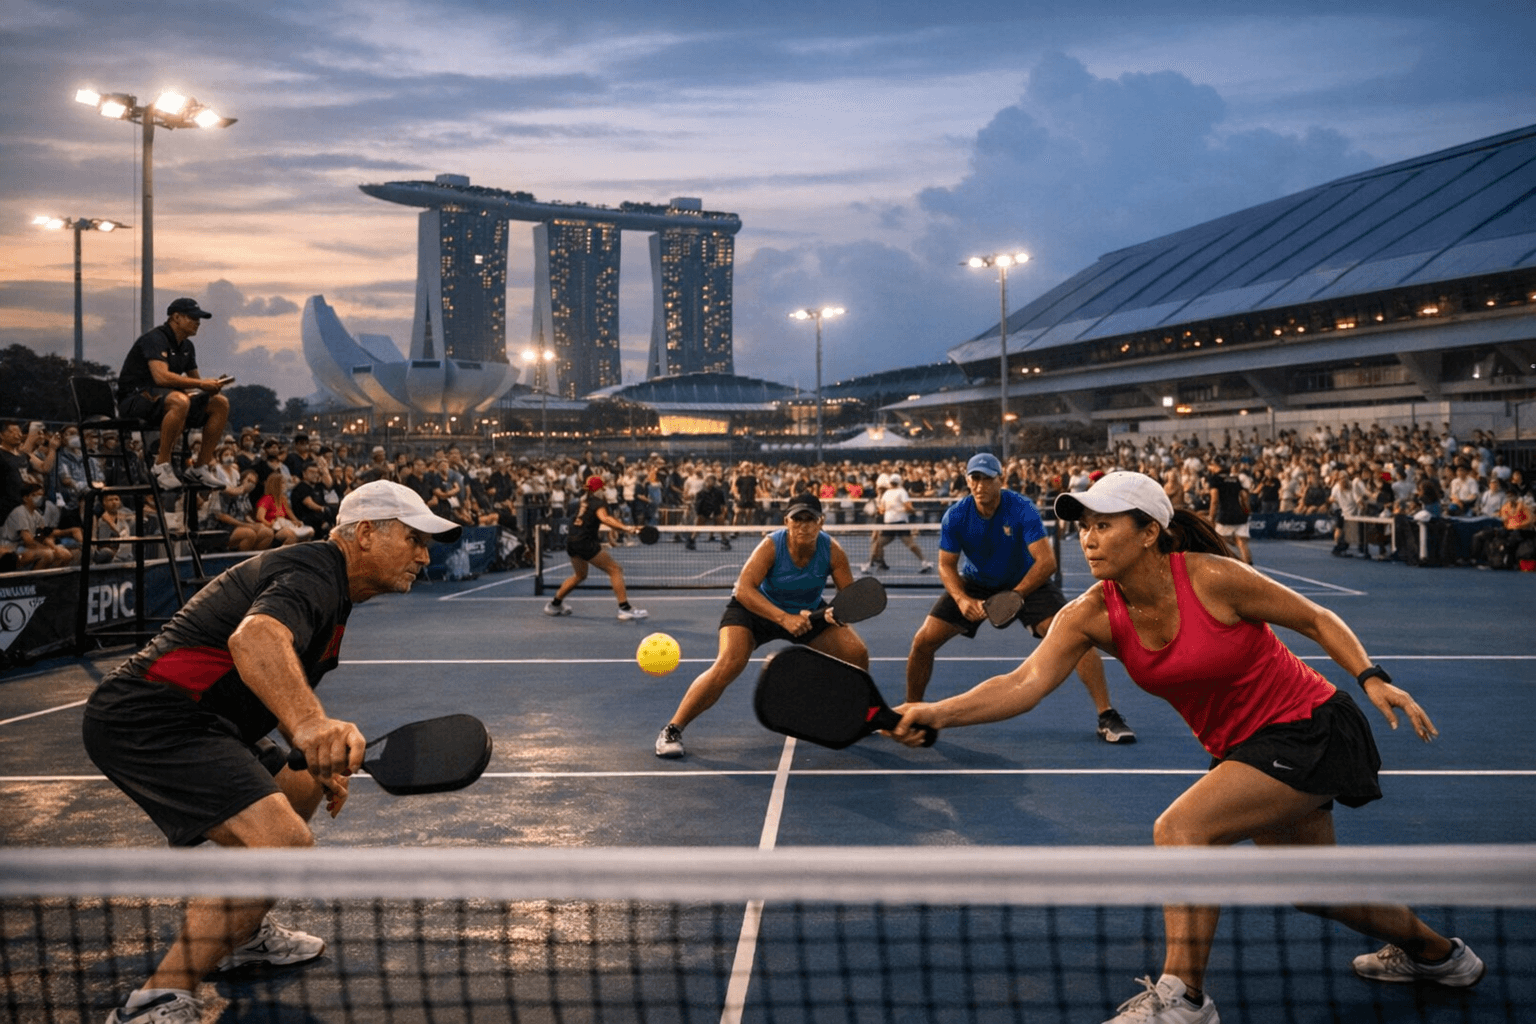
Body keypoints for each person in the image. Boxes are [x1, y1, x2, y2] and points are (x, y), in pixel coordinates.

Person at [891, 471, 1484, 1024]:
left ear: (1149, 532)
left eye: (1104, 525)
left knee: (1183, 829)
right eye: (1085, 527)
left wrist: (1372, 676)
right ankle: (1440, 955)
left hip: (1310, 725)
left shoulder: (1210, 577)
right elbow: (1023, 683)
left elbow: (1316, 618)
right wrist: (935, 711)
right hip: (1244, 746)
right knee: (1313, 890)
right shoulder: (1090, 612)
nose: (1088, 540)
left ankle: (1185, 997)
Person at [82, 481, 462, 1024]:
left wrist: (310, 747)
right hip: (151, 717)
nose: (424, 556)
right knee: (281, 843)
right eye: (414, 540)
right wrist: (310, 725)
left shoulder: (334, 589)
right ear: (365, 533)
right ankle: (155, 1001)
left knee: (303, 782)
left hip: (210, 721)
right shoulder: (312, 570)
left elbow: (271, 677)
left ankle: (239, 936)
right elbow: (255, 640)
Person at [903, 453, 1134, 744]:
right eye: (975, 478)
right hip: (975, 584)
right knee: (923, 641)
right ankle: (911, 711)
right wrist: (961, 599)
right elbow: (946, 565)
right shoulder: (957, 516)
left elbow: (1046, 562)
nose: (981, 485)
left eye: (988, 478)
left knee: (1078, 636)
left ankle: (1107, 714)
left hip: (1027, 582)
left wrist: (1015, 595)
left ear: (1000, 480)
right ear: (967, 481)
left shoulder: (1021, 508)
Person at [655, 492, 869, 759]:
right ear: (786, 521)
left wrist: (835, 614)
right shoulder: (771, 545)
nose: (803, 525)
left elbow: (848, 599)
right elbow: (744, 590)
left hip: (806, 614)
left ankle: (856, 713)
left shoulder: (833, 551)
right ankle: (672, 729)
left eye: (810, 519)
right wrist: (783, 618)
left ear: (821, 522)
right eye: (797, 519)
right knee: (728, 664)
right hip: (754, 611)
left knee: (856, 653)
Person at [116, 298, 231, 493]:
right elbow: (160, 377)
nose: (198, 322)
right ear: (176, 317)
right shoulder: (155, 338)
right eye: (193, 317)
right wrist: (200, 384)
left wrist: (210, 388)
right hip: (135, 399)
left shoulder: (187, 346)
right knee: (179, 400)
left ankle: (199, 467)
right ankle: (161, 465)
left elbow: (194, 383)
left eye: (199, 318)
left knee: (219, 402)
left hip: (165, 399)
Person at [542, 475, 648, 620]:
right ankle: (625, 608)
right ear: (598, 489)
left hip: (572, 542)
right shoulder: (598, 502)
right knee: (615, 569)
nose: (604, 491)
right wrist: (626, 528)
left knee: (580, 575)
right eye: (602, 488)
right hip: (585, 543)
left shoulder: (583, 502)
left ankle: (554, 605)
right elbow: (605, 518)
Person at [863, 473, 933, 573]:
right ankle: (925, 562)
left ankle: (867, 566)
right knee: (911, 544)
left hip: (890, 522)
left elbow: (882, 510)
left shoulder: (887, 494)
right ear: (899, 482)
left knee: (878, 544)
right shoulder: (902, 492)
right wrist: (915, 512)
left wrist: (880, 510)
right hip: (900, 522)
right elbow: (908, 507)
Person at [1205, 457, 1253, 565]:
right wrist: (1247, 511)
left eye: (1209, 466)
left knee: (1218, 541)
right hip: (1240, 515)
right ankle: (1249, 569)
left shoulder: (1215, 479)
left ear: (1213, 465)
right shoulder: (1234, 478)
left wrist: (1211, 518)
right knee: (1242, 543)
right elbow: (1244, 496)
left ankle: (1228, 567)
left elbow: (1214, 500)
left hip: (1225, 516)